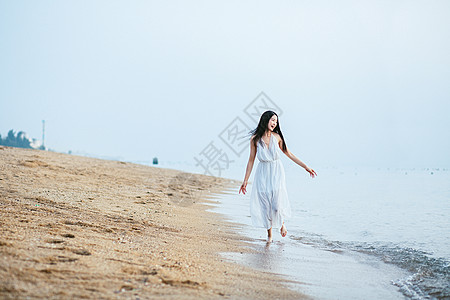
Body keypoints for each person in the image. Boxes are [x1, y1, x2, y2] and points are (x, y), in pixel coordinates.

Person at [239, 111, 316, 242]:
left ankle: (282, 223)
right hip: (262, 172)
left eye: (276, 121)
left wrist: (306, 167)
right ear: (265, 120)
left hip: (276, 171)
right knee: (264, 204)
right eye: (272, 120)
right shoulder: (255, 139)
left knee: (276, 204)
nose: (274, 123)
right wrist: (245, 181)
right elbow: (251, 160)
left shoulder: (277, 137)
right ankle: (269, 235)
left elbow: (289, 154)